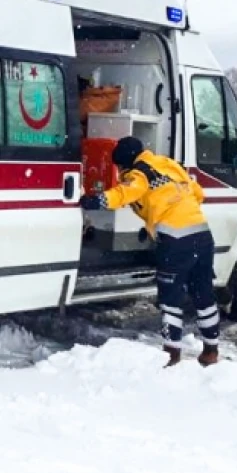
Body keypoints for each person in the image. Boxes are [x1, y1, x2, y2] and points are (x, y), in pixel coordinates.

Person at [81, 137, 221, 368]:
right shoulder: (168, 164)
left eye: (119, 167)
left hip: (174, 239)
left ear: (124, 163)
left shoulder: (138, 174)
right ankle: (211, 352)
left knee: (170, 299)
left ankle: (171, 356)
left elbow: (125, 193)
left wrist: (96, 200)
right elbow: (198, 193)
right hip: (202, 236)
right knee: (203, 293)